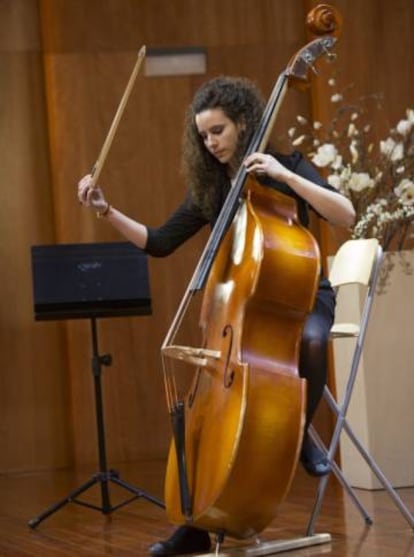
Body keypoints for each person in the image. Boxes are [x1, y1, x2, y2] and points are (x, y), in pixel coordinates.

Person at [78, 76, 356, 556]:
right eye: (203, 136)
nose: (211, 143)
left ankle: (302, 435)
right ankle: (196, 522)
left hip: (303, 296)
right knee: (208, 417)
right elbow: (160, 242)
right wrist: (107, 211)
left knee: (310, 341)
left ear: (244, 122)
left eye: (219, 131)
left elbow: (346, 214)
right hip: (243, 314)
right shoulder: (211, 188)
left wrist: (289, 178)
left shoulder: (283, 165)